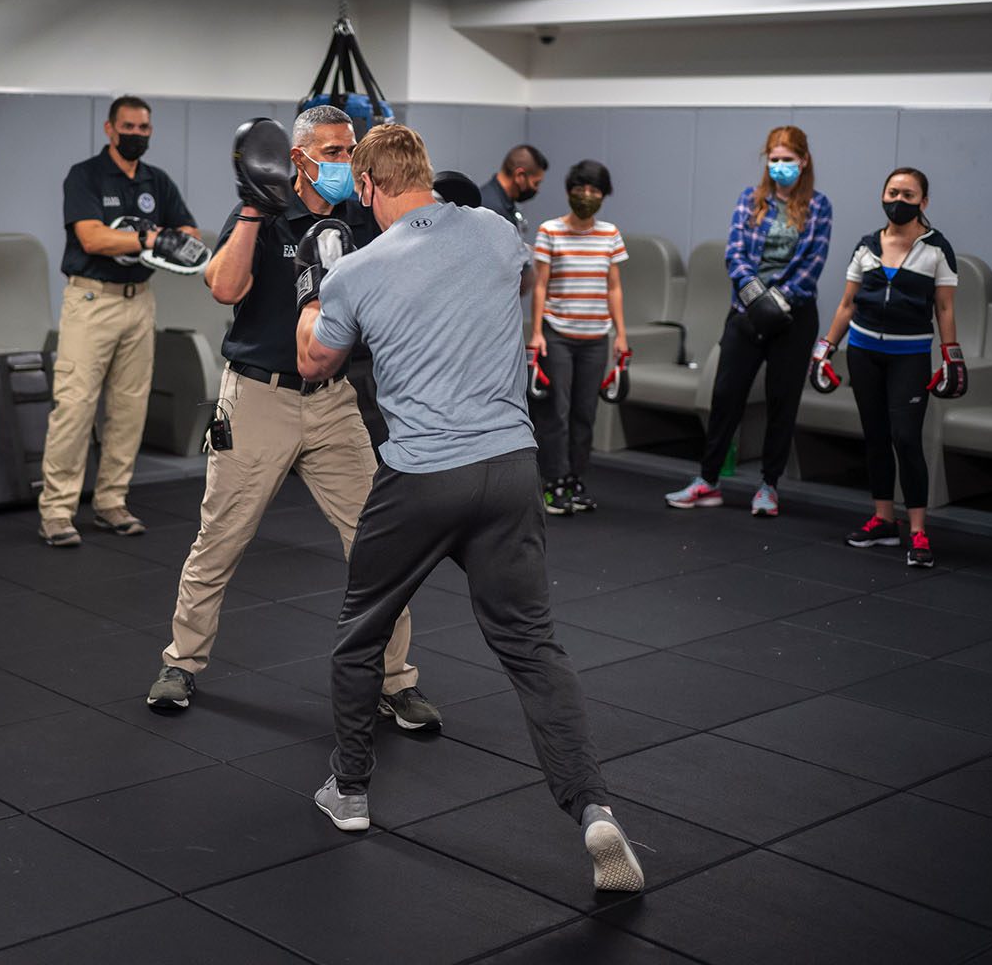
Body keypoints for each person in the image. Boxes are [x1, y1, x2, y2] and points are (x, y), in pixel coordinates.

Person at [295, 123, 645, 893]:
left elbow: (313, 361)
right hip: (512, 470)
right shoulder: (494, 231)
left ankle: (349, 792)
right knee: (532, 648)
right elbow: (509, 282)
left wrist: (313, 292)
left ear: (370, 187)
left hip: (422, 475)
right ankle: (593, 808)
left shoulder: (356, 268)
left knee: (361, 635)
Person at [144, 108, 440, 732]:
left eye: (349, 150)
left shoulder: (360, 216)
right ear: (298, 156)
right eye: (332, 151)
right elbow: (223, 289)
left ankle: (395, 680)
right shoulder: (263, 211)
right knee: (221, 537)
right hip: (257, 397)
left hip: (334, 402)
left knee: (379, 543)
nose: (344, 162)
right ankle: (182, 662)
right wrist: (254, 209)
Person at [37, 96, 198, 547]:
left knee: (129, 408)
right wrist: (148, 236)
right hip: (92, 300)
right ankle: (56, 510)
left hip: (139, 302)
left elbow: (188, 234)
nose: (136, 135)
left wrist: (155, 238)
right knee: (75, 405)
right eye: (128, 127)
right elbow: (91, 237)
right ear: (110, 129)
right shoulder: (85, 175)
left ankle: (111, 502)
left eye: (144, 128)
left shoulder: (156, 181)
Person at [666, 126, 832, 517]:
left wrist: (780, 300)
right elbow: (736, 254)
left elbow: (813, 264)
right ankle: (708, 481)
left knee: (781, 399)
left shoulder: (819, 205)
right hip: (746, 310)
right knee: (726, 395)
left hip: (795, 315)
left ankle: (768, 487)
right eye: (774, 159)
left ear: (803, 161)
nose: (780, 167)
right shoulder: (750, 199)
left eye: (787, 160)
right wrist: (757, 297)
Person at [813, 169, 964, 567]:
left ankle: (918, 530)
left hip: (909, 356)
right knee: (876, 436)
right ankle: (883, 520)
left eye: (908, 194)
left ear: (923, 203)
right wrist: (825, 348)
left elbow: (944, 306)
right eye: (893, 191)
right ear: (882, 195)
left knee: (906, 438)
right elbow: (847, 304)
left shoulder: (937, 249)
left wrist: (952, 354)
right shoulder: (866, 246)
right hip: (863, 352)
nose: (899, 199)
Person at [528, 159, 628, 517]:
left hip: (596, 337)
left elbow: (613, 287)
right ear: (570, 190)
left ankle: (574, 479)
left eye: (595, 189)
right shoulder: (549, 231)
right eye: (581, 188)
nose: (587, 195)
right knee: (557, 411)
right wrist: (537, 333)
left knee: (586, 413)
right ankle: (552, 483)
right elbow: (540, 285)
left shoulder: (610, 234)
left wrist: (621, 336)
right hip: (558, 334)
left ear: (603, 194)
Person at [479, 144, 548, 238]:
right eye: (536, 183)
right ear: (520, 176)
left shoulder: (503, 203)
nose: (537, 189)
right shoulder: (491, 211)